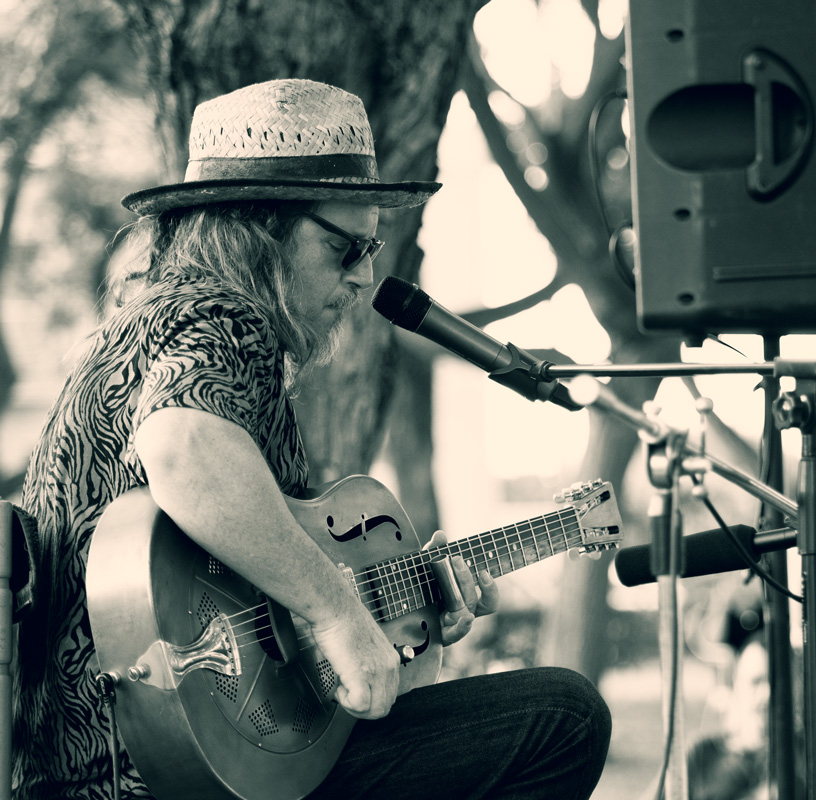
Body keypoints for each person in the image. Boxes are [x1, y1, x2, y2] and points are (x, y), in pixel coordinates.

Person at [13, 79, 610, 799]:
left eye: (372, 248)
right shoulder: (218, 315)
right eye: (344, 248)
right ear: (256, 232)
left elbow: (270, 631)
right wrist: (337, 612)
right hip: (149, 777)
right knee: (562, 718)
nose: (365, 277)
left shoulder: (150, 327)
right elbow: (182, 447)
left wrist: (403, 612)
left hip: (122, 771)